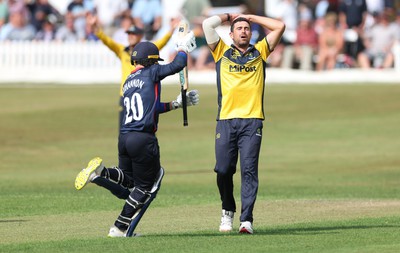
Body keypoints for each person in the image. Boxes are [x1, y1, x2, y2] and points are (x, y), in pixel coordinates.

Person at [74, 36, 197, 237]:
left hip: (124, 137)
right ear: (151, 60)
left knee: (129, 180)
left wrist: (176, 104)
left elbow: (152, 107)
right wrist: (183, 48)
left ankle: (102, 172)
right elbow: (178, 64)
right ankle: (119, 228)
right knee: (145, 188)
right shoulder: (152, 72)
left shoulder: (129, 82)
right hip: (143, 138)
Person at [202, 13, 285, 234]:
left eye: (246, 28)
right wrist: (229, 16)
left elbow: (279, 26)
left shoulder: (260, 51)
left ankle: (246, 219)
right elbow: (207, 24)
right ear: (231, 33)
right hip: (226, 120)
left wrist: (251, 17)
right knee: (223, 169)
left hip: (252, 121)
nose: (243, 31)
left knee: (249, 171)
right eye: (239, 28)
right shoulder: (221, 51)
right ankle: (227, 210)